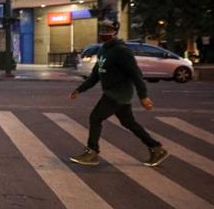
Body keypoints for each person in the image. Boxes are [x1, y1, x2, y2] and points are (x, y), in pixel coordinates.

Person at [69, 17, 169, 167]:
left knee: (96, 117)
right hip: (112, 92)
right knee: (129, 122)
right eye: (102, 30)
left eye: (108, 30)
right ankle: (156, 148)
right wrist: (79, 89)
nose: (104, 33)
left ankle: (92, 152)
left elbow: (136, 74)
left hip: (118, 94)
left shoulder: (122, 51)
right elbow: (96, 74)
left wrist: (143, 96)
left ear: (115, 32)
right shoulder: (103, 50)